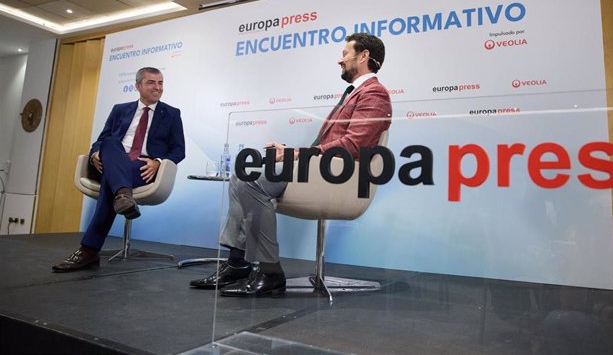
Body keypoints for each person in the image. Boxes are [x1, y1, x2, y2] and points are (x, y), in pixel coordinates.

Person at [190, 33, 392, 296]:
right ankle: (237, 263)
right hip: (324, 169)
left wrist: (297, 154)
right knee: (242, 174)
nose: (339, 60)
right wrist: (292, 153)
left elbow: (355, 146)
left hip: (341, 177)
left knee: (251, 182)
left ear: (363, 56)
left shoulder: (374, 93)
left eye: (345, 53)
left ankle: (270, 271)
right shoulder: (355, 93)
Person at [53, 67, 185, 272]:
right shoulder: (120, 109)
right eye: (151, 83)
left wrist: (158, 161)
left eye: (160, 83)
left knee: (110, 179)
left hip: (142, 167)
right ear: (138, 86)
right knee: (110, 142)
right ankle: (123, 195)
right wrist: (96, 154)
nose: (157, 87)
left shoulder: (171, 113)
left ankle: (89, 250)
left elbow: (179, 150)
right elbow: (100, 141)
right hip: (111, 160)